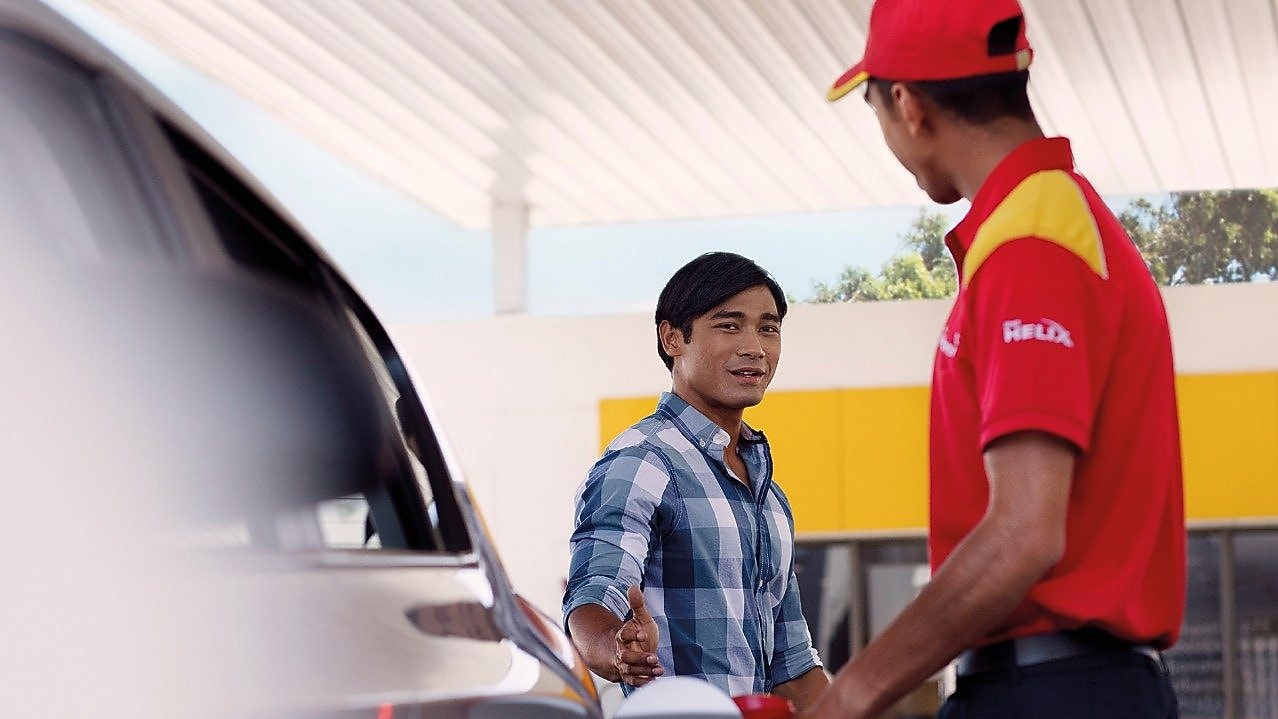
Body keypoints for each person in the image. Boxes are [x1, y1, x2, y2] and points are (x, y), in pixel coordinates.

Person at [808, 1, 1186, 717]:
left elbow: (1023, 533)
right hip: (1062, 688)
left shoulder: (1030, 243)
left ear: (908, 106)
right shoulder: (1049, 223)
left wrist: (849, 695)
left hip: (1052, 693)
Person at [562, 252, 829, 709]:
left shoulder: (767, 494)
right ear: (672, 338)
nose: (754, 347)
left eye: (768, 328)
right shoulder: (643, 460)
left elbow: (793, 665)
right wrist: (615, 647)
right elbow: (592, 596)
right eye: (729, 325)